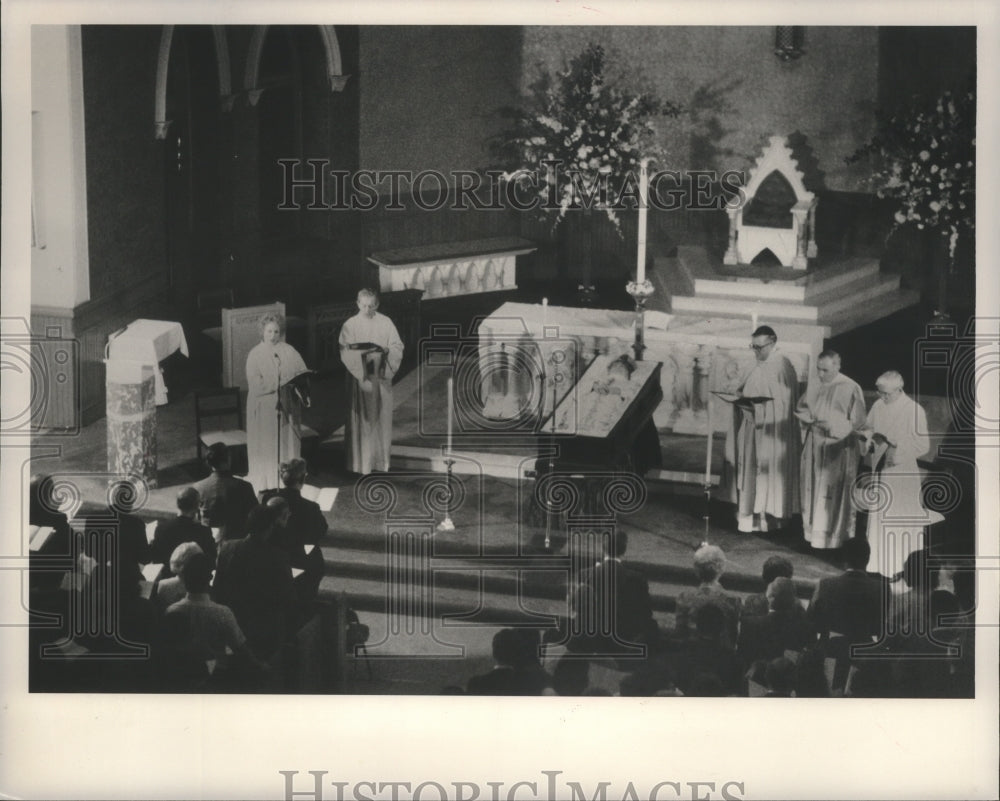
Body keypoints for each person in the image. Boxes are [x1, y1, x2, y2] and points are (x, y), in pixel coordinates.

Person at [722, 325, 801, 533]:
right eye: (753, 347)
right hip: (750, 427)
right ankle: (748, 516)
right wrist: (740, 401)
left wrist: (761, 410)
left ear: (773, 342)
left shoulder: (783, 366)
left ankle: (769, 520)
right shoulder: (754, 364)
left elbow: (785, 404)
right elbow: (743, 388)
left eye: (760, 347)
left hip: (772, 433)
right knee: (749, 471)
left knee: (767, 475)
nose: (757, 352)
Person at [859, 371, 933, 578]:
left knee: (897, 520)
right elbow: (868, 427)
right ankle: (877, 564)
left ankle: (897, 567)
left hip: (901, 472)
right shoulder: (878, 405)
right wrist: (868, 438)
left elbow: (922, 445)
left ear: (899, 390)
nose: (882, 397)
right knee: (880, 517)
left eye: (886, 394)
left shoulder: (913, 410)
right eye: (879, 392)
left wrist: (896, 447)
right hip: (881, 470)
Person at [795, 350, 867, 549]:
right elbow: (801, 408)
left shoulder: (851, 387)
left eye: (825, 370)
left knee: (832, 492)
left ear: (837, 366)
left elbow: (858, 421)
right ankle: (813, 538)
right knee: (812, 489)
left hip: (838, 446)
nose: (820, 374)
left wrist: (835, 427)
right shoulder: (815, 383)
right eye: (818, 369)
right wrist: (811, 419)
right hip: (815, 444)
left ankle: (835, 539)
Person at [213, 505, 296, 663]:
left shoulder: (227, 548)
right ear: (270, 527)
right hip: (264, 627)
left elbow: (218, 586)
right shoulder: (278, 556)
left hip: (234, 620)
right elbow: (288, 596)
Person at [339, 289, 404, 474]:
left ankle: (380, 464)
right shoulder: (350, 325)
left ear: (377, 304)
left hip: (380, 377)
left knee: (381, 420)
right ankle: (360, 465)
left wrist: (385, 353)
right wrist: (363, 360)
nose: (367, 309)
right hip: (361, 381)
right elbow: (345, 350)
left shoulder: (386, 322)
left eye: (371, 305)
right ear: (358, 304)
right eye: (364, 305)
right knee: (362, 422)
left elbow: (397, 346)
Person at [246, 312, 310, 494]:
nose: (273, 335)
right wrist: (278, 383)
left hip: (288, 403)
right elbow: (255, 385)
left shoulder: (289, 350)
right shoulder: (255, 354)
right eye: (269, 332)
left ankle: (290, 478)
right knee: (269, 443)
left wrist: (301, 384)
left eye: (276, 331)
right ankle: (268, 480)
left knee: (287, 441)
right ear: (262, 332)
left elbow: (301, 372)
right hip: (266, 406)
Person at [674, 544, 742, 649]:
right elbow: (733, 636)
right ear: (722, 568)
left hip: (692, 655)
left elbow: (680, 634)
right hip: (722, 656)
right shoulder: (732, 601)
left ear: (696, 570)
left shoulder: (685, 598)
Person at [194, 442, 259, 542]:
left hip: (208, 544)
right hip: (237, 544)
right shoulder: (243, 487)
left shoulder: (197, 488)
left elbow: (195, 520)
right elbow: (255, 518)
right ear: (229, 460)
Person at [149, 487, 217, 570]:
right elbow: (212, 560)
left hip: (168, 575)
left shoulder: (162, 528)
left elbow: (156, 559)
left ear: (177, 504)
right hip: (196, 578)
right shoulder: (203, 531)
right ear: (197, 506)